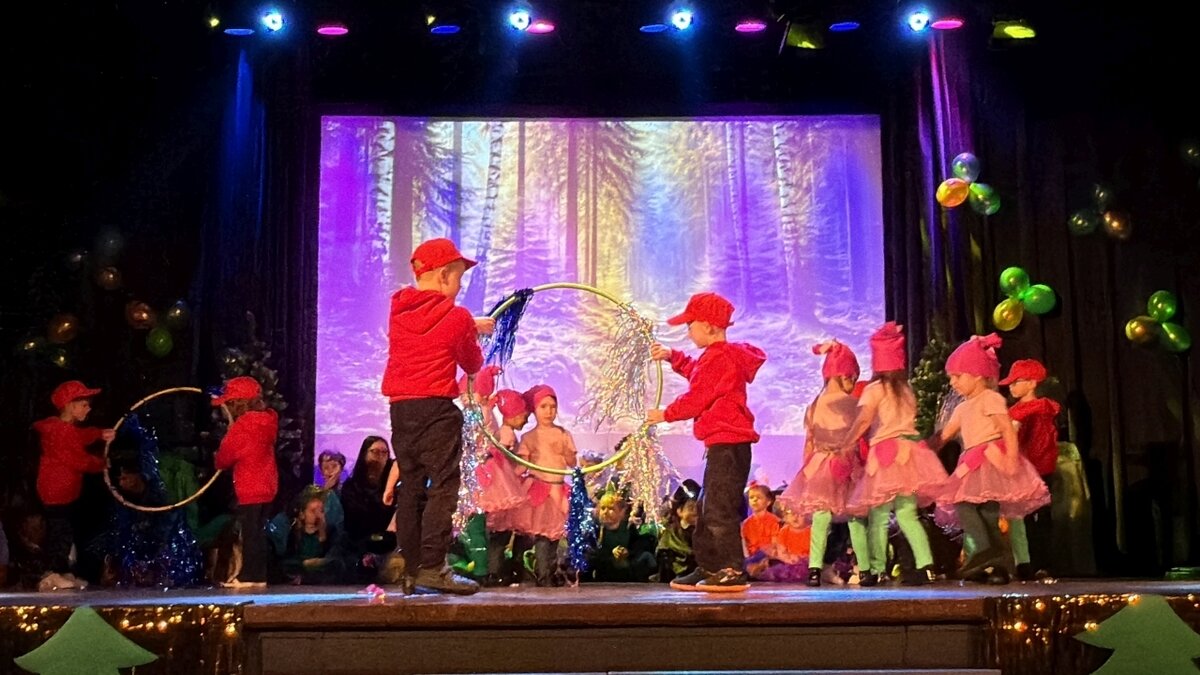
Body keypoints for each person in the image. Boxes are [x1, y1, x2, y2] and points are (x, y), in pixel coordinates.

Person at [381, 237, 492, 595]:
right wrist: (471, 328)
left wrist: (469, 323)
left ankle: (411, 570)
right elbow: (472, 363)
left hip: (401, 409)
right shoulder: (457, 317)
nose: (459, 286)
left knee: (411, 486)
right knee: (444, 486)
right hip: (435, 409)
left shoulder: (398, 309)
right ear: (444, 275)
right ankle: (433, 567)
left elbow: (431, 322)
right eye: (458, 277)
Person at [647, 292, 767, 593]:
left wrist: (665, 414)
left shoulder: (720, 358)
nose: (688, 332)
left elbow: (698, 396)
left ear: (709, 326)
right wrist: (674, 357)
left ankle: (730, 569)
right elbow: (698, 374)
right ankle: (711, 566)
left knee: (719, 510)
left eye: (691, 326)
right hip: (721, 446)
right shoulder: (716, 358)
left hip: (729, 446)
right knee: (706, 507)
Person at [931, 335, 1050, 584]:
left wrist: (1011, 458)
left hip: (990, 460)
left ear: (976, 375)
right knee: (982, 512)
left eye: (957, 376)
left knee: (974, 508)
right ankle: (996, 564)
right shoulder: (962, 407)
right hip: (970, 461)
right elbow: (945, 435)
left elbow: (1007, 429)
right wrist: (925, 447)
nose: (952, 382)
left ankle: (987, 553)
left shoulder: (990, 398)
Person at [841, 323, 948, 586]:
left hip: (886, 455)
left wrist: (846, 442)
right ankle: (926, 565)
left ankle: (877, 569)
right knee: (907, 515)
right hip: (911, 454)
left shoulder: (875, 389)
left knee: (879, 516)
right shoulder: (906, 390)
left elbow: (864, 420)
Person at [778, 341, 871, 587]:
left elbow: (809, 443)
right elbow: (861, 435)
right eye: (852, 379)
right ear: (845, 376)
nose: (853, 384)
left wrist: (807, 471)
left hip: (820, 464)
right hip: (846, 463)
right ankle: (866, 570)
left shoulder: (814, 405)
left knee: (821, 518)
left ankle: (814, 570)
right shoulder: (852, 404)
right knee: (855, 518)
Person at [32, 380, 115, 587]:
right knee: (60, 531)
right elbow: (79, 460)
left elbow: (80, 437)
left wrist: (99, 433)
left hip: (61, 490)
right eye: (84, 405)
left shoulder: (65, 429)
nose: (89, 408)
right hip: (56, 490)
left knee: (64, 530)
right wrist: (102, 463)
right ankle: (52, 572)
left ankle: (61, 570)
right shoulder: (62, 432)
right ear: (70, 406)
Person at [212, 375, 279, 589]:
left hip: (250, 488)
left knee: (250, 534)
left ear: (237, 404)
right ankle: (259, 575)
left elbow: (223, 459)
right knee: (258, 532)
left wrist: (220, 450)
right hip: (268, 486)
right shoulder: (267, 421)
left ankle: (250, 575)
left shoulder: (242, 427)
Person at [1001, 359, 1060, 580]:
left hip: (1040, 469)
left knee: (1040, 518)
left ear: (1032, 383)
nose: (1011, 387)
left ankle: (1043, 564)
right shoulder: (1014, 411)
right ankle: (1026, 564)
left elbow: (1046, 410)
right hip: (1021, 470)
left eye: (1017, 382)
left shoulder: (1041, 407)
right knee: (1022, 519)